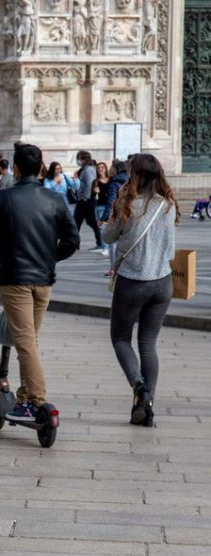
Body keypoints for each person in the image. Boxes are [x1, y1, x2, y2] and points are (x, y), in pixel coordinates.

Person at [0, 143, 80, 423]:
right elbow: (73, 240)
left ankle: (38, 400)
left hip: (15, 279)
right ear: (42, 167)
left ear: (17, 168)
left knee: (25, 343)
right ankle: (22, 399)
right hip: (44, 280)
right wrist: (50, 258)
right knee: (28, 341)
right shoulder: (55, 200)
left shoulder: (3, 198)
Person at [102, 154, 178, 428]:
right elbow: (170, 248)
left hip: (133, 281)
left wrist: (116, 206)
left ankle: (138, 386)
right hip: (163, 282)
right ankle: (148, 405)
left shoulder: (127, 204)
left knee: (121, 338)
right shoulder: (168, 204)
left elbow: (107, 237)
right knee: (148, 344)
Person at [103, 159, 129, 276]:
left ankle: (113, 268)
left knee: (113, 244)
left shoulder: (114, 182)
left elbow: (111, 201)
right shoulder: (130, 180)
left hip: (117, 213)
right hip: (130, 214)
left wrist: (104, 217)